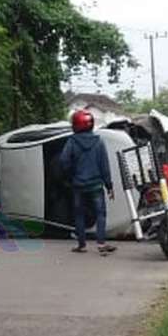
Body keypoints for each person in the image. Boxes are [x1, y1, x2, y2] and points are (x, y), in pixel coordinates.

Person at [60, 109, 117, 256]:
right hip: (96, 185)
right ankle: (101, 243)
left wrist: (71, 176)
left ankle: (81, 245)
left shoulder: (72, 141)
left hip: (78, 185)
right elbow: (104, 165)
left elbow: (64, 161)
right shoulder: (98, 141)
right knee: (100, 214)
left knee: (79, 215)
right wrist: (109, 185)